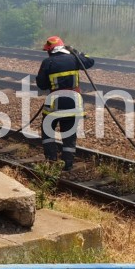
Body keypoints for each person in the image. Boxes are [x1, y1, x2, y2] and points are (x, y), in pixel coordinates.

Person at [35, 36, 94, 171]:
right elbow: (90, 61)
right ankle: (67, 164)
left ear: (50, 50)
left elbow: (42, 85)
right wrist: (76, 52)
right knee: (69, 134)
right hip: (74, 103)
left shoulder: (47, 62)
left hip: (55, 103)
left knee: (47, 131)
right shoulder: (74, 59)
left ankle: (51, 160)